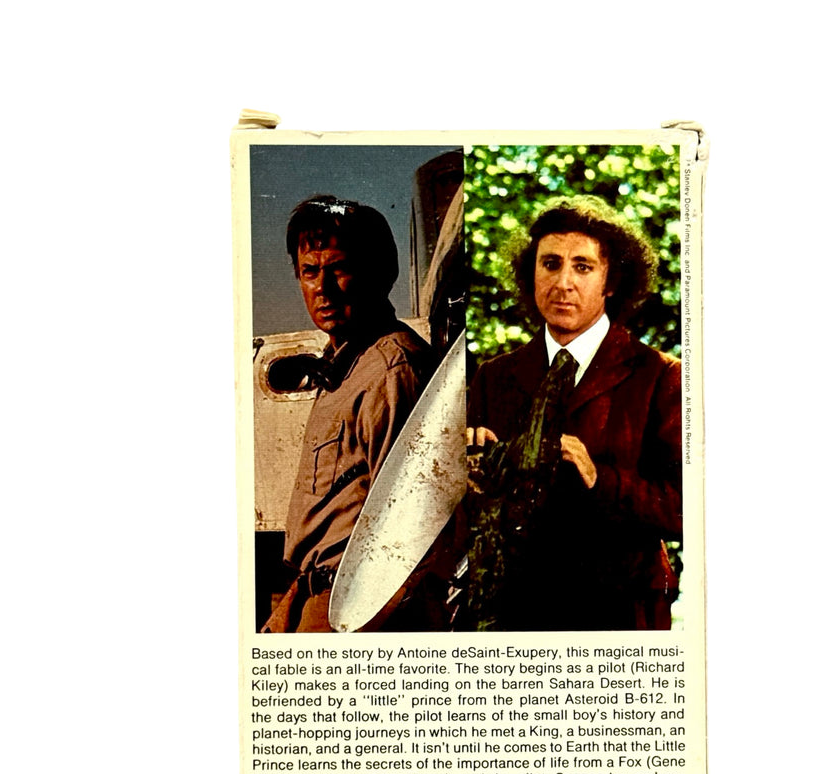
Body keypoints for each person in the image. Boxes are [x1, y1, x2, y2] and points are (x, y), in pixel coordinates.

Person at [465, 194, 682, 630]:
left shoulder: (660, 376)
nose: (563, 282)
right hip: (516, 614)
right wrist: (463, 468)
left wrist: (600, 478)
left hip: (618, 617)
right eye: (550, 264)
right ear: (531, 273)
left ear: (611, 281)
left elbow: (687, 509)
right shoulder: (494, 376)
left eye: (582, 267)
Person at [263, 195, 434, 633]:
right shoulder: (342, 367)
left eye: (338, 268)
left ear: (381, 273)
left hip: (355, 608)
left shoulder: (393, 370)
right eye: (309, 272)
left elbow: (411, 527)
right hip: (313, 596)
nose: (322, 287)